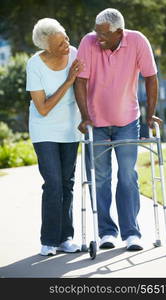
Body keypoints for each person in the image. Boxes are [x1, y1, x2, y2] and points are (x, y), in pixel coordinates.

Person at [74, 8, 162, 251]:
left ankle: (132, 233)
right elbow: (80, 81)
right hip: (97, 124)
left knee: (127, 175)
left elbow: (151, 77)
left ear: (119, 32)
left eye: (103, 33)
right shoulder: (88, 43)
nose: (97, 36)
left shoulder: (137, 41)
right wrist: (84, 116)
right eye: (96, 31)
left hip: (127, 121)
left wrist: (150, 112)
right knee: (100, 178)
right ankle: (106, 233)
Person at [26, 18, 83, 256]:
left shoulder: (74, 53)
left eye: (66, 39)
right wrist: (68, 80)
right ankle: (48, 239)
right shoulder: (35, 65)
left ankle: (65, 238)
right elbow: (43, 108)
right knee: (53, 184)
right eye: (60, 44)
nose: (66, 46)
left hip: (71, 129)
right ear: (46, 47)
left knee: (67, 183)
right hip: (44, 130)